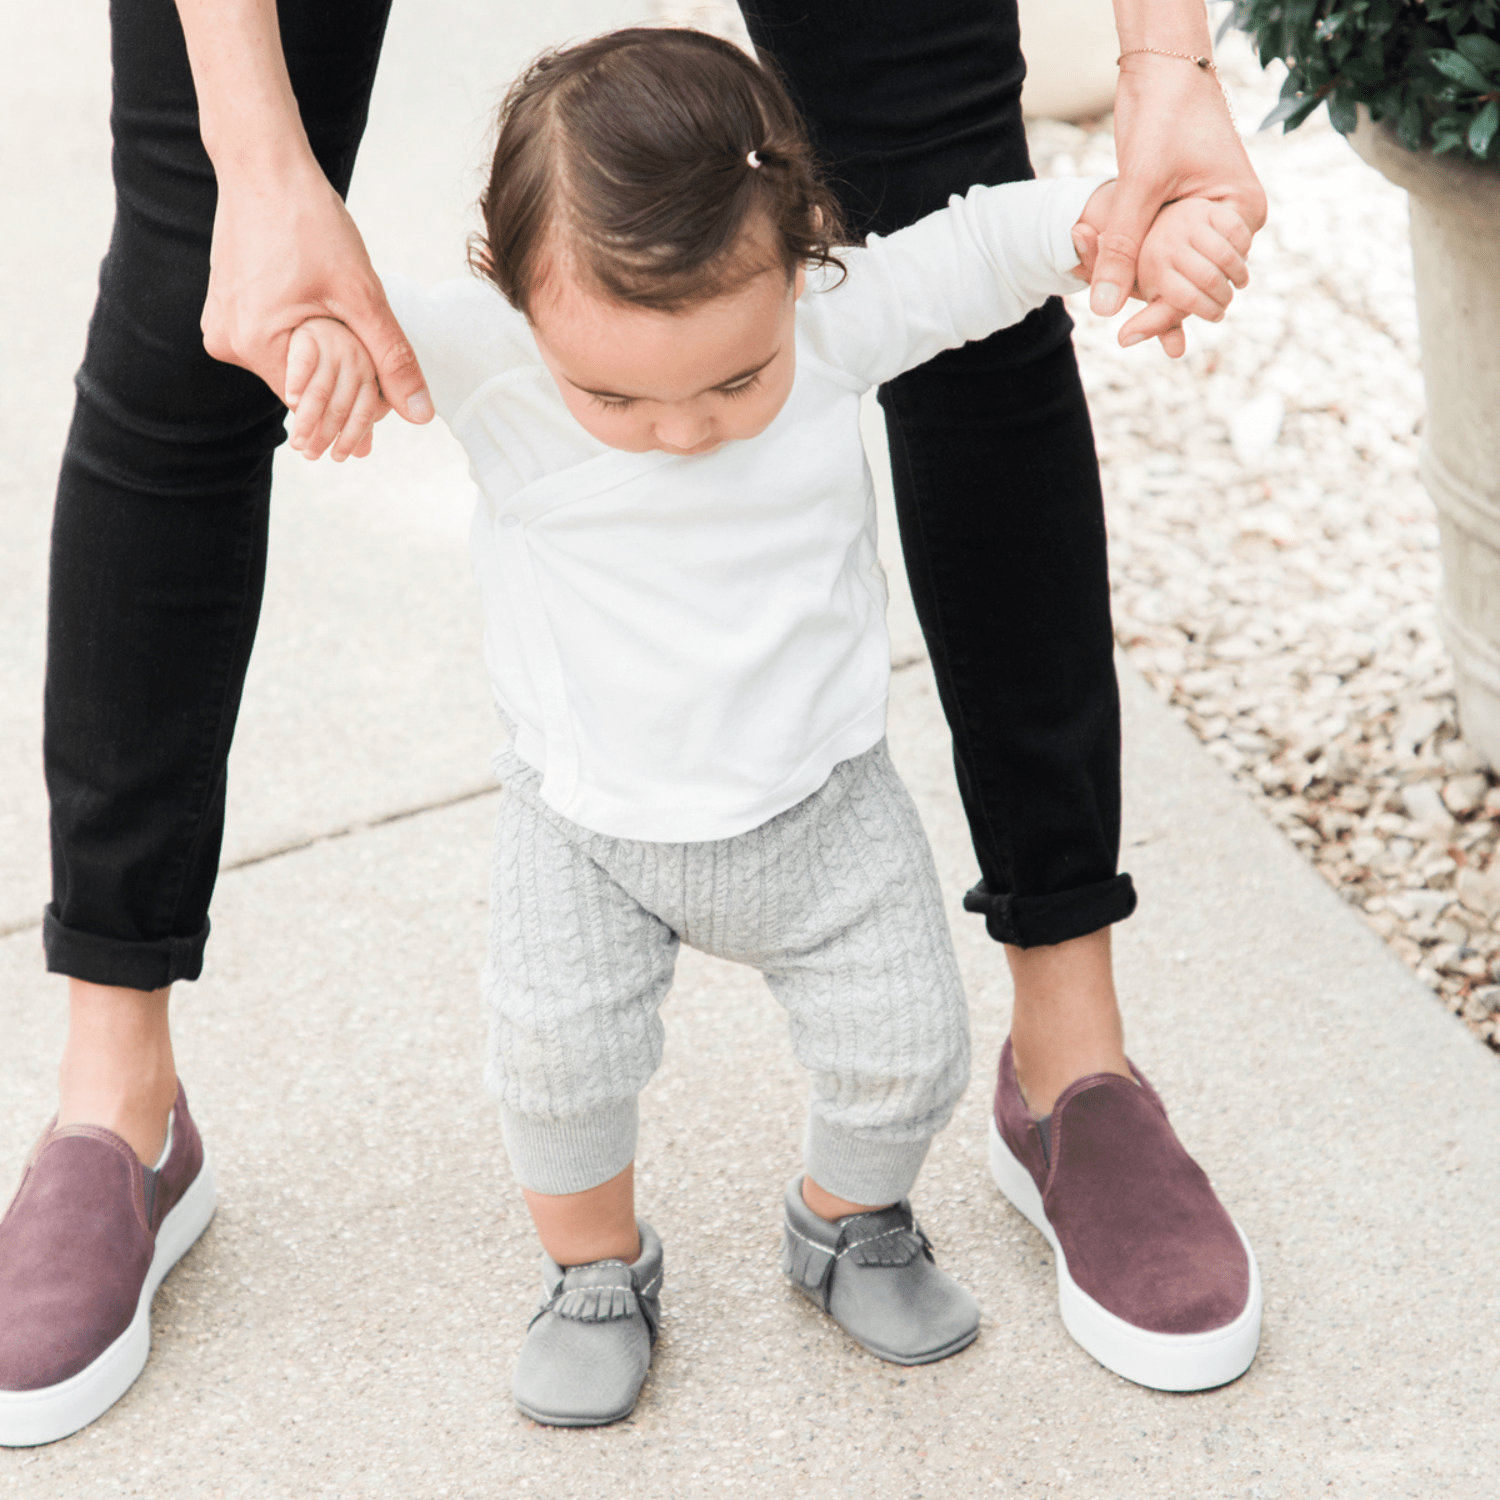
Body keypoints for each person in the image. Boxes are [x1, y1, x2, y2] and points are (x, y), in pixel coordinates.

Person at [0, 0, 1267, 1450]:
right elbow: (326, 322)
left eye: (735, 381)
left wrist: (1157, 102)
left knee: (946, 211)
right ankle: (122, 1108)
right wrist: (273, 206)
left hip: (815, 805)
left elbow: (982, 247)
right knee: (198, 278)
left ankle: (1067, 1066)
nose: (683, 425)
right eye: (621, 391)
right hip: (589, 828)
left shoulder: (834, 313)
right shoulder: (492, 355)